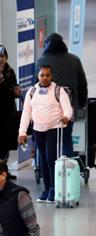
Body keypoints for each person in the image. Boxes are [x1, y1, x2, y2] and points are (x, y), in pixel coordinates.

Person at [18, 65, 73, 203]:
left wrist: (66, 117)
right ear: (38, 76)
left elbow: (68, 108)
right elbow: (26, 113)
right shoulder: (32, 91)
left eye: (47, 75)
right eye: (42, 75)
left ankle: (54, 188)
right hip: (38, 129)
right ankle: (47, 188)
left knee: (50, 158)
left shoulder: (58, 91)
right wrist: (22, 132)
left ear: (51, 76)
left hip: (54, 127)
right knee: (42, 159)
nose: (45, 78)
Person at [35, 33, 88, 157]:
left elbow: (35, 87)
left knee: (47, 141)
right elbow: (82, 85)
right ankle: (66, 171)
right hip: (67, 109)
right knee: (66, 138)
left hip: (45, 110)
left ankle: (48, 171)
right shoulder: (74, 60)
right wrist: (80, 104)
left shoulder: (41, 62)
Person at [0, 45, 20, 179]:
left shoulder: (10, 71)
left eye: (2, 56)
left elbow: (14, 88)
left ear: (6, 58)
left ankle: (4, 171)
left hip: (8, 112)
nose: (0, 59)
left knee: (6, 142)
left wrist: (17, 91)